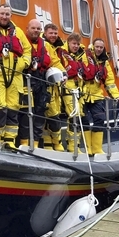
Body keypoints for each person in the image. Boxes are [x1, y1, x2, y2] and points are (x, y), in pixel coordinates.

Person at [0, 4, 30, 149]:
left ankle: (10, 141)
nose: (4, 17)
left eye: (7, 14)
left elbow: (28, 51)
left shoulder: (18, 31)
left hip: (16, 75)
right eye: (2, 14)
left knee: (13, 109)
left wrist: (23, 64)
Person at [82, 37, 119, 155]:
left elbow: (109, 81)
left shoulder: (104, 62)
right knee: (84, 120)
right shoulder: (84, 56)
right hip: (82, 94)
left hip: (96, 95)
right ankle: (88, 148)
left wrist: (116, 95)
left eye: (101, 47)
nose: (99, 49)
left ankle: (97, 148)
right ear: (93, 47)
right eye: (97, 47)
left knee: (100, 119)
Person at [18, 19, 51, 148]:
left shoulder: (45, 44)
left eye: (38, 29)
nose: (36, 31)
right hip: (26, 79)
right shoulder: (21, 42)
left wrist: (63, 73)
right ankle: (24, 143)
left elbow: (52, 60)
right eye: (33, 28)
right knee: (26, 114)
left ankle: (35, 144)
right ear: (27, 29)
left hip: (41, 81)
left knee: (39, 114)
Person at [60, 32, 95, 151]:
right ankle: (72, 146)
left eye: (77, 44)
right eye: (73, 43)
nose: (75, 46)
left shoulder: (81, 55)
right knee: (73, 117)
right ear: (68, 42)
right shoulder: (62, 54)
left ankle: (76, 145)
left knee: (79, 116)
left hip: (79, 89)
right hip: (68, 88)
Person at [41, 23, 66, 151]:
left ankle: (56, 143)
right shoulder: (43, 45)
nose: (53, 36)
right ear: (45, 33)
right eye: (51, 33)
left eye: (55, 33)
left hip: (55, 86)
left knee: (54, 117)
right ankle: (49, 144)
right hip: (45, 85)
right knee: (48, 117)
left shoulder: (57, 48)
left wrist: (64, 74)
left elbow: (57, 62)